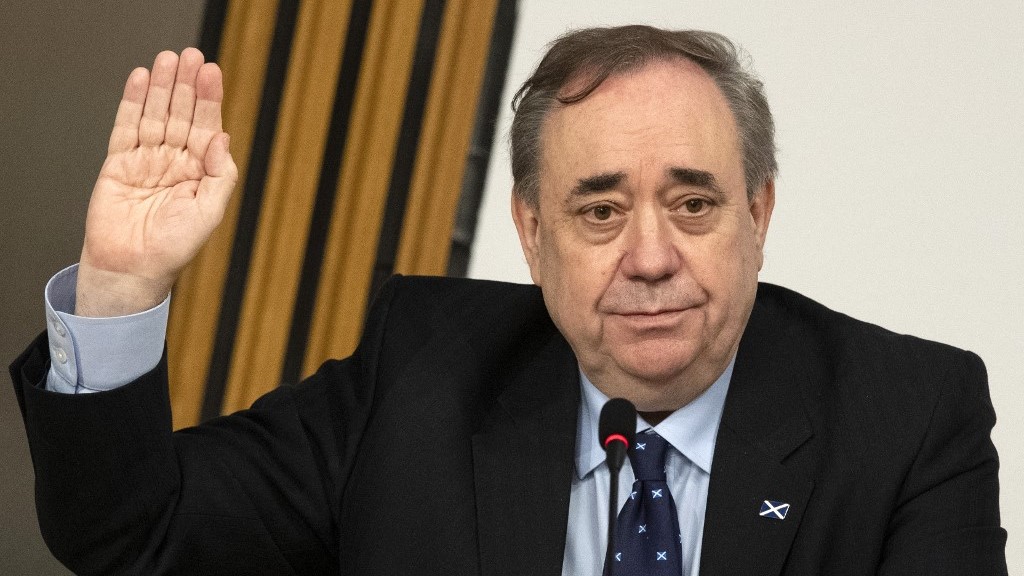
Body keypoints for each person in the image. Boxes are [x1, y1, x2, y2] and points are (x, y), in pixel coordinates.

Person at [10, 25, 1006, 575]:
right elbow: (134, 535)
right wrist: (121, 286)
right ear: (532, 233)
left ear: (759, 211)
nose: (651, 257)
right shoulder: (422, 376)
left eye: (694, 202)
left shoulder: (907, 415)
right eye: (600, 210)